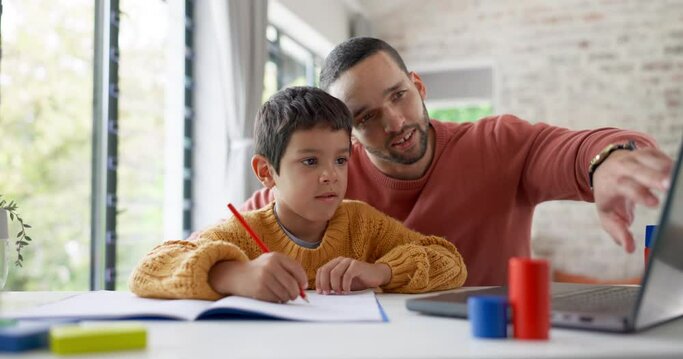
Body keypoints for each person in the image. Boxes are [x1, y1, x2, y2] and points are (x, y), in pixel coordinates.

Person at [242, 37, 674, 286]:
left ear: (418, 86)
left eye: (398, 96)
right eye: (367, 117)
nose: (395, 121)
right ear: (348, 131)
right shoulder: (327, 177)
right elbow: (220, 239)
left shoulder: (497, 144)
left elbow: (578, 150)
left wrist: (609, 160)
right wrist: (238, 273)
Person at [130, 86, 467, 302]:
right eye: (309, 161)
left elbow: (451, 264)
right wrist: (232, 275)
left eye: (340, 160)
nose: (330, 176)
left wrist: (381, 271)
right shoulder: (240, 235)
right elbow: (148, 271)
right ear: (266, 172)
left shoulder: (363, 223)